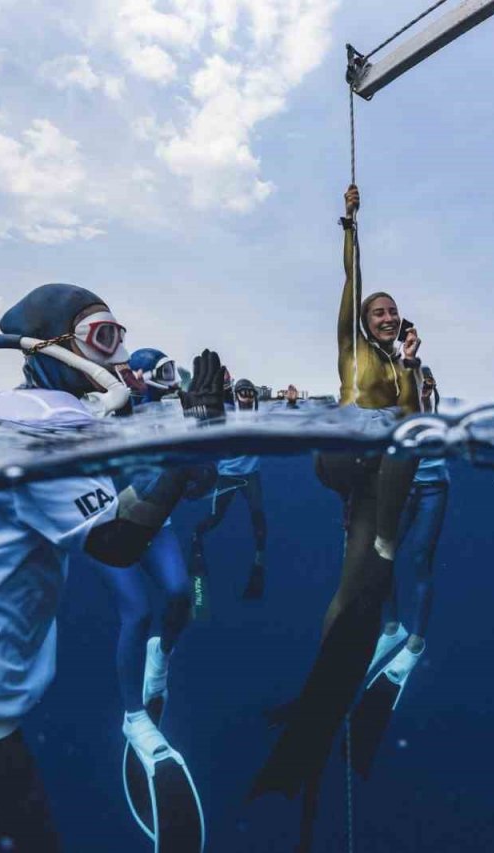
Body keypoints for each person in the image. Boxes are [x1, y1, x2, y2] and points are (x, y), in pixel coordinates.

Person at [0, 284, 223, 852]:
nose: (114, 355)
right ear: (51, 348)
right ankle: (138, 711)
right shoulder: (44, 426)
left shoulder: (16, 412)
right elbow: (115, 544)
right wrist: (193, 442)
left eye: (118, 337)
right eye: (101, 337)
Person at [250, 184, 421, 848]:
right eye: (378, 310)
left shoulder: (402, 366)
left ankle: (323, 682)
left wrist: (412, 364)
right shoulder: (350, 346)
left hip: (378, 480)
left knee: (355, 592)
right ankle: (384, 544)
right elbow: (352, 282)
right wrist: (351, 225)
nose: (384, 315)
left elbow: (414, 421)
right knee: (381, 533)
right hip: (341, 457)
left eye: (392, 312)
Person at [349, 365, 449, 778]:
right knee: (382, 557)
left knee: (420, 561)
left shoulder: (438, 415)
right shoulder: (390, 412)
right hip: (399, 491)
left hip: (431, 491)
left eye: (426, 384)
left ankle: (415, 644)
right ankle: (391, 630)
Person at [190, 377, 269, 601]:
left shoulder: (260, 416)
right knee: (215, 518)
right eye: (242, 392)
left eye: (250, 392)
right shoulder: (224, 415)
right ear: (235, 394)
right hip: (228, 476)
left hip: (250, 475)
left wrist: (292, 404)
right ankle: (196, 538)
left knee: (259, 517)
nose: (246, 395)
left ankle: (259, 564)